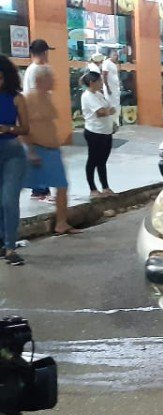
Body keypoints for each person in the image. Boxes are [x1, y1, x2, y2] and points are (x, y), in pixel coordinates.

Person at [21, 66, 80, 236]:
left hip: (52, 151)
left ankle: (61, 223)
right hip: (35, 149)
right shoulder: (27, 99)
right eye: (51, 79)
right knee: (17, 186)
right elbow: (21, 127)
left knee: (62, 185)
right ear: (40, 80)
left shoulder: (47, 97)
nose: (54, 82)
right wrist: (30, 150)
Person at [0, 55, 30, 265]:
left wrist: (8, 128)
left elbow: (25, 128)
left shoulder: (17, 98)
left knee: (9, 200)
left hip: (13, 153)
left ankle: (10, 247)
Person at [24, 39, 53, 203]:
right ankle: (41, 191)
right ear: (44, 53)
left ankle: (39, 190)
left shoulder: (32, 69)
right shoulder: (36, 70)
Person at [80, 71, 116, 199]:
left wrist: (110, 115)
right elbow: (100, 112)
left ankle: (105, 187)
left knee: (102, 161)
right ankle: (93, 188)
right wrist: (109, 111)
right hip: (94, 132)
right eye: (99, 81)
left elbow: (110, 108)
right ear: (92, 83)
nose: (102, 83)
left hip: (106, 132)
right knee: (93, 160)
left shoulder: (99, 94)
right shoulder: (87, 96)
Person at [101, 49, 121, 129]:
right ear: (110, 55)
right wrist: (107, 87)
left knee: (116, 105)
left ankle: (116, 123)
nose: (116, 56)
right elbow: (104, 75)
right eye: (114, 55)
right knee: (111, 105)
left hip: (116, 89)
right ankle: (110, 123)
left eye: (116, 55)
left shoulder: (114, 64)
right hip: (110, 89)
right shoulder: (106, 63)